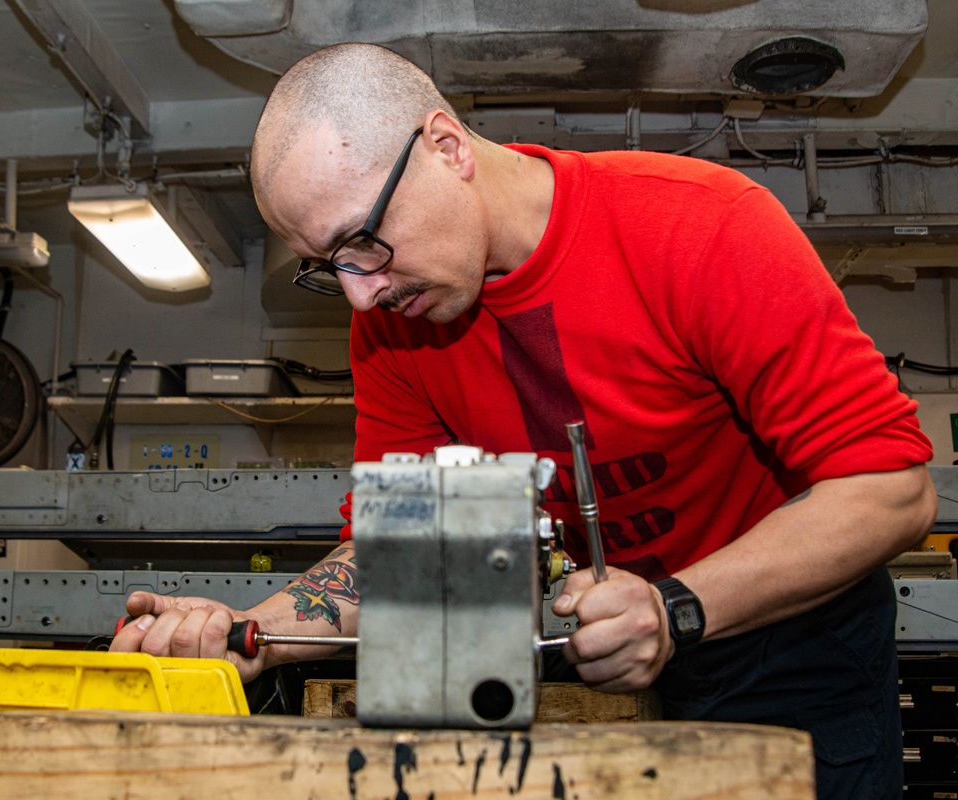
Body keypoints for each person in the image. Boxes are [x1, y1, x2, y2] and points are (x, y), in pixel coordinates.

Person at [111, 42, 937, 799]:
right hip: (641, 657)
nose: (361, 293)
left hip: (801, 645)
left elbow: (891, 490)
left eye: (362, 241)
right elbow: (414, 557)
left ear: (447, 148)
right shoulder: (394, 324)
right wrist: (249, 634)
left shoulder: (698, 226)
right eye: (332, 269)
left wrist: (678, 608)